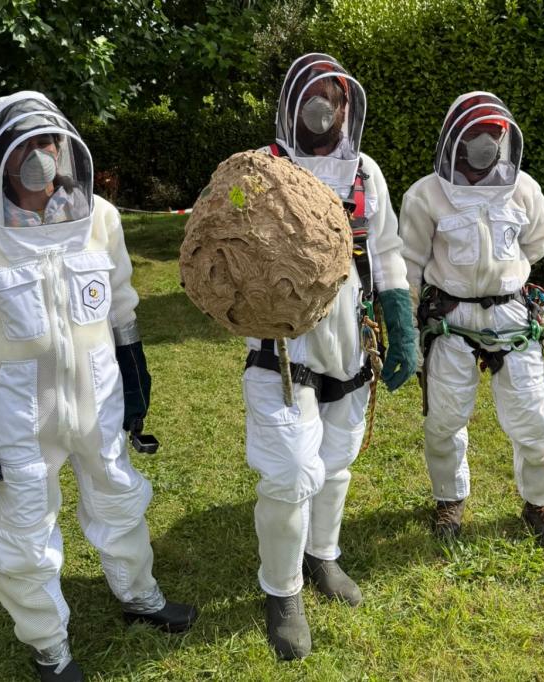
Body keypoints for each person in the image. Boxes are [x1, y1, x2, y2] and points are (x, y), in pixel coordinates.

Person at [0, 91, 196, 682]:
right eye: (23, 144)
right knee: (26, 527)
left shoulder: (100, 219)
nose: (38, 156)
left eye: (47, 143)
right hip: (19, 413)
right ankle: (49, 646)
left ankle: (139, 595)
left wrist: (134, 375)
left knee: (118, 493)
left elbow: (122, 306)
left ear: (65, 149)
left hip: (98, 395)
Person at [242, 54, 418, 660]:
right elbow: (224, 245)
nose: (326, 106)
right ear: (293, 104)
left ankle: (323, 556)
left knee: (336, 461)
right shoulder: (261, 171)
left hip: (351, 339)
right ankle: (281, 591)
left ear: (349, 107)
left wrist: (401, 317)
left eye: (335, 97)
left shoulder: (365, 171)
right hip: (282, 347)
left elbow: (388, 248)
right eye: (315, 95)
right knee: (290, 472)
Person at [399, 91, 544, 547]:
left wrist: (504, 278)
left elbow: (538, 241)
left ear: (505, 138)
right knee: (445, 418)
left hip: (513, 314)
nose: (485, 143)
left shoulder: (523, 189)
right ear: (455, 138)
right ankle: (449, 500)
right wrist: (409, 332)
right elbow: (409, 265)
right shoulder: (427, 195)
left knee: (536, 415)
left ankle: (542, 504)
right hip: (450, 317)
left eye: (494, 135)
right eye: (476, 134)